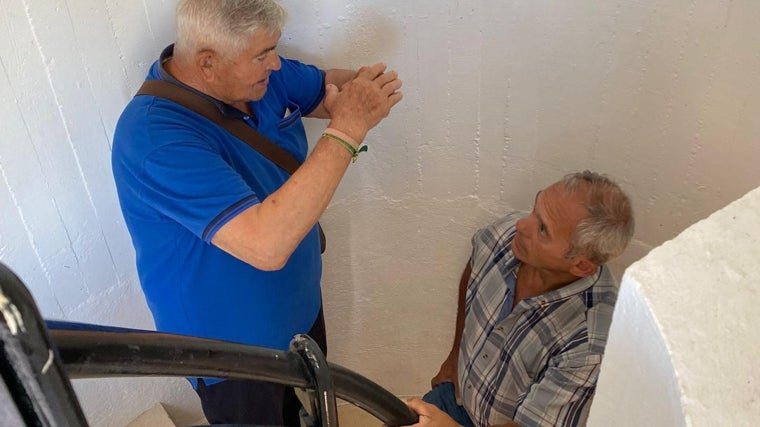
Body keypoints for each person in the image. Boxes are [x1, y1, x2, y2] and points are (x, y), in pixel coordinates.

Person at [111, 0, 402, 425]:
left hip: (300, 312)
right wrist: (350, 127)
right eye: (263, 55)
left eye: (274, 48)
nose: (277, 62)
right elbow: (267, 245)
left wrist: (360, 90)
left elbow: (327, 89)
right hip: (234, 355)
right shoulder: (154, 138)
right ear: (207, 63)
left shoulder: (260, 80)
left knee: (314, 414)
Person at [404, 171, 634, 427]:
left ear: (581, 266)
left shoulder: (590, 343)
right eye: (534, 210)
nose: (521, 225)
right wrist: (455, 355)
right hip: (457, 399)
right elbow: (475, 269)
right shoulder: (504, 239)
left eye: (543, 229)